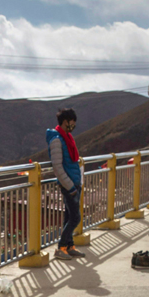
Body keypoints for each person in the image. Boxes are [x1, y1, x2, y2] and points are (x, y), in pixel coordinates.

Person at [48, 107, 85, 260]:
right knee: (75, 218)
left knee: (69, 217)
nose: (73, 125)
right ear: (65, 122)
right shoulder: (57, 140)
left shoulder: (67, 138)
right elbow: (57, 166)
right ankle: (60, 248)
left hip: (74, 183)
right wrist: (70, 186)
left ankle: (69, 247)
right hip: (69, 185)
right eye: (72, 122)